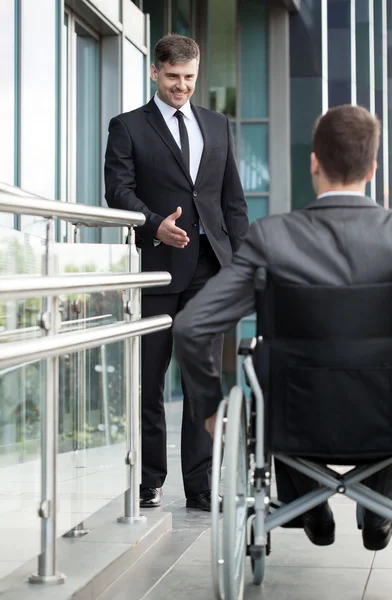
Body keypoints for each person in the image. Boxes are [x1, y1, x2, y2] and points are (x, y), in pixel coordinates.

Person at [174, 104, 392, 549]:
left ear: (314, 162)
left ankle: (309, 504)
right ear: (372, 168)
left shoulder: (273, 237)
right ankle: (378, 504)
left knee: (277, 375)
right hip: (384, 419)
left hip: (295, 422)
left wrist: (212, 408)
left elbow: (192, 326)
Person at [104, 34, 248, 510]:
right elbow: (118, 191)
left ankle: (202, 484)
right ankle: (148, 478)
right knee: (148, 376)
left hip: (211, 266)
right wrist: (152, 226)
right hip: (157, 269)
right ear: (155, 72)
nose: (182, 86)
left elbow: (232, 203)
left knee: (202, 378)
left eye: (189, 77)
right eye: (173, 77)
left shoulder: (217, 125)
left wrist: (243, 262)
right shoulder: (127, 127)